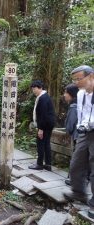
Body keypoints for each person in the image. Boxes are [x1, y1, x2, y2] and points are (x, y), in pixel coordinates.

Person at [64, 66, 94, 214]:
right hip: (84, 133)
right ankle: (79, 192)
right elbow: (82, 114)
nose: (76, 82)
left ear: (91, 76)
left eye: (79, 79)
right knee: (76, 163)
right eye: (74, 79)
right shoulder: (81, 94)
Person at [28, 80, 56, 171]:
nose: (33, 91)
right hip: (48, 124)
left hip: (45, 125)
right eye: (32, 89)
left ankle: (39, 164)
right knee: (46, 143)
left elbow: (43, 115)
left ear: (40, 87)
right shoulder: (44, 96)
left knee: (40, 143)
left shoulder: (43, 98)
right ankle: (48, 164)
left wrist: (41, 129)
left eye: (35, 88)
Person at [63, 83, 79, 185]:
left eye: (66, 92)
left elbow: (70, 126)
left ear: (71, 94)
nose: (64, 95)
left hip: (78, 137)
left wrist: (67, 133)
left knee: (76, 158)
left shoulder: (73, 107)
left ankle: (73, 179)